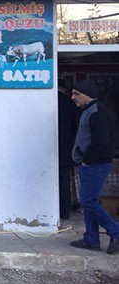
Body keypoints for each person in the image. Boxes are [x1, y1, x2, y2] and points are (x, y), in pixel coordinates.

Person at [70, 79, 119, 254]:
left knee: (88, 202)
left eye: (76, 94)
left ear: (87, 95)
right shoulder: (88, 110)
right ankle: (91, 239)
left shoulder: (97, 113)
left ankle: (115, 231)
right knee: (90, 201)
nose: (73, 97)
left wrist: (88, 160)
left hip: (95, 165)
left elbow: (101, 142)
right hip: (89, 164)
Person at [58, 78, 80, 220]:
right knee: (64, 180)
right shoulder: (70, 103)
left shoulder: (45, 101)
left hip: (45, 147)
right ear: (64, 89)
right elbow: (77, 126)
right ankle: (64, 211)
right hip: (66, 147)